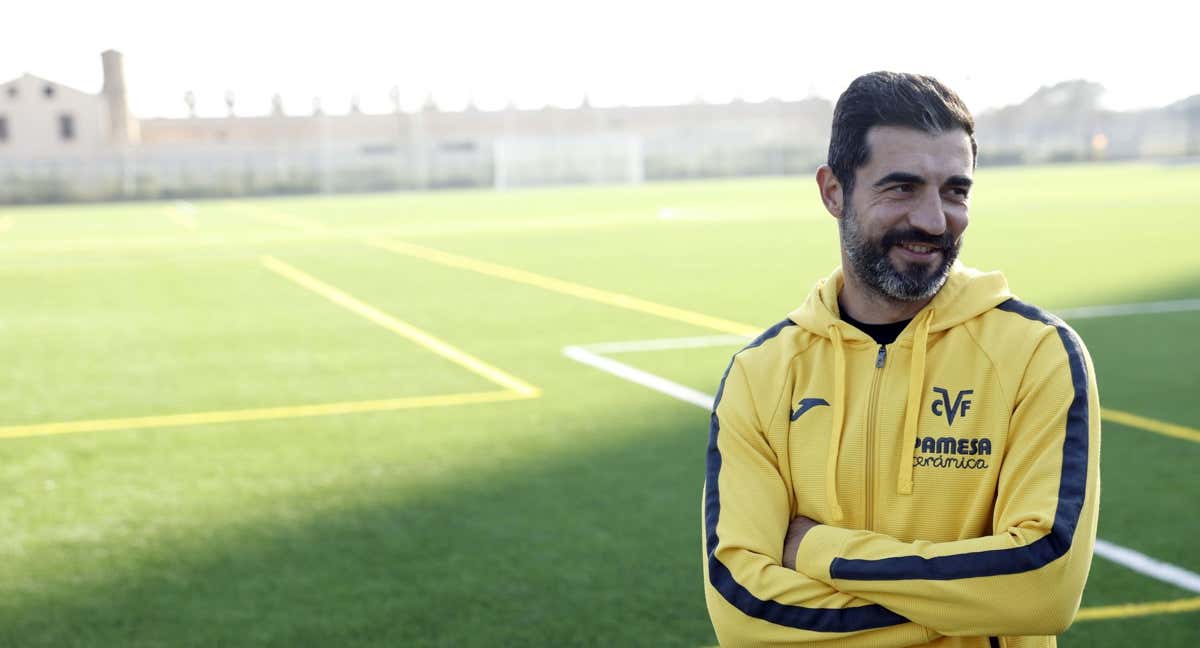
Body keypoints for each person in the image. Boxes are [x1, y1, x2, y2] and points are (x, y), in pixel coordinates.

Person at [701, 72, 1100, 648]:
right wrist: (975, 608)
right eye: (902, 187)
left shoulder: (1036, 353)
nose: (935, 220)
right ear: (832, 190)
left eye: (955, 191)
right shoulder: (760, 374)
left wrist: (819, 549)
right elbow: (743, 614)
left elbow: (1043, 588)